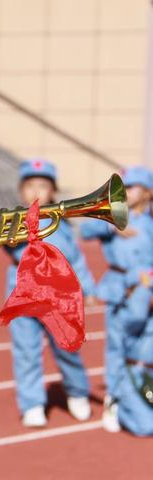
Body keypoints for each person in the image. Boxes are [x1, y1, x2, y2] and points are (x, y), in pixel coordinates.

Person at [6, 159, 96, 428]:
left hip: (58, 297)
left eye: (43, 186)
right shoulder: (13, 222)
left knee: (68, 349)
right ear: (21, 191)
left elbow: (77, 260)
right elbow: (4, 246)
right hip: (22, 296)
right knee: (26, 352)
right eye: (30, 185)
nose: (36, 191)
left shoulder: (63, 226)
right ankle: (32, 403)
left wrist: (88, 290)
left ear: (53, 192)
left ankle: (77, 392)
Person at [81, 166, 153, 432]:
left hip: (146, 290)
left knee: (145, 346)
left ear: (147, 193)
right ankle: (115, 398)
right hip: (119, 289)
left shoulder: (150, 223)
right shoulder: (112, 219)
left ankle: (141, 394)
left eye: (131, 187)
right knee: (116, 345)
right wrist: (112, 226)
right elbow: (85, 231)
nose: (126, 193)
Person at [115, 265, 153, 436]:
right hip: (136, 377)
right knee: (147, 428)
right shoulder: (127, 315)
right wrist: (144, 289)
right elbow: (137, 315)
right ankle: (119, 409)